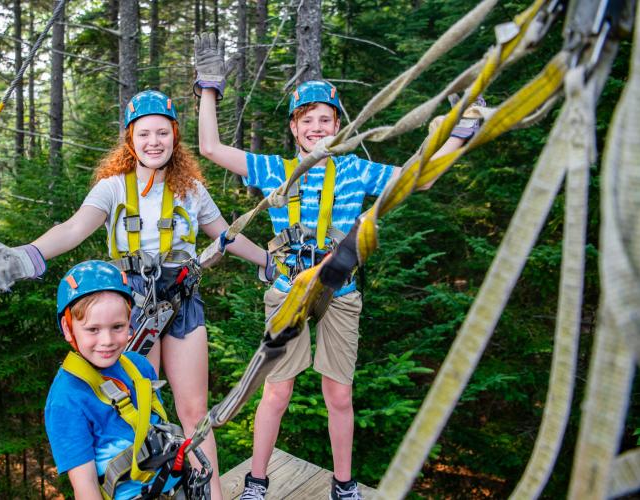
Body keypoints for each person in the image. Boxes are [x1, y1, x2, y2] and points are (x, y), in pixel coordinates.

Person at [193, 34, 478, 500]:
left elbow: (418, 179)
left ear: (340, 126)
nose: (317, 128)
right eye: (308, 121)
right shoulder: (276, 169)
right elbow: (210, 148)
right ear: (294, 128)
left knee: (339, 395)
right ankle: (257, 482)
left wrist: (459, 134)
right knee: (277, 392)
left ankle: (342, 485)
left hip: (339, 294)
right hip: (287, 289)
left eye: (325, 120)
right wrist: (209, 88)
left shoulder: (356, 171)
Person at [0, 89, 270, 498]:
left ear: (175, 136)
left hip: (181, 300)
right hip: (133, 305)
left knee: (195, 413)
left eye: (162, 132)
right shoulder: (112, 189)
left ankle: (210, 494)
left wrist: (269, 260)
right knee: (140, 409)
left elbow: (226, 236)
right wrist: (27, 257)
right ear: (130, 139)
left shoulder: (191, 190)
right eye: (144, 134)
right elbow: (73, 229)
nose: (154, 142)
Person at [45, 260, 207, 499]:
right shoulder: (66, 400)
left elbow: (154, 425)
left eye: (118, 326)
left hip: (176, 486)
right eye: (93, 329)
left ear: (131, 322)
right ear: (68, 329)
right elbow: (85, 488)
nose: (107, 340)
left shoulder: (139, 366)